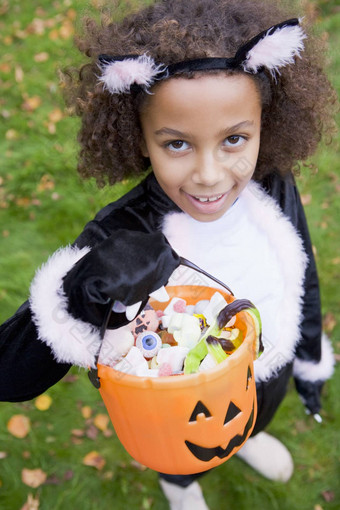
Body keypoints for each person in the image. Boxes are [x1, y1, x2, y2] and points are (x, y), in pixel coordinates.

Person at [0, 0, 337, 508]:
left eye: (234, 139)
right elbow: (10, 374)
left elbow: (301, 275)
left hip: (265, 373)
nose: (209, 174)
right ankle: (178, 483)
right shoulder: (124, 234)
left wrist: (309, 357)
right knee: (187, 449)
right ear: (140, 139)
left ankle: (246, 435)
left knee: (249, 416)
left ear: (264, 124)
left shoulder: (270, 184)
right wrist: (79, 288)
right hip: (178, 416)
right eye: (177, 144)